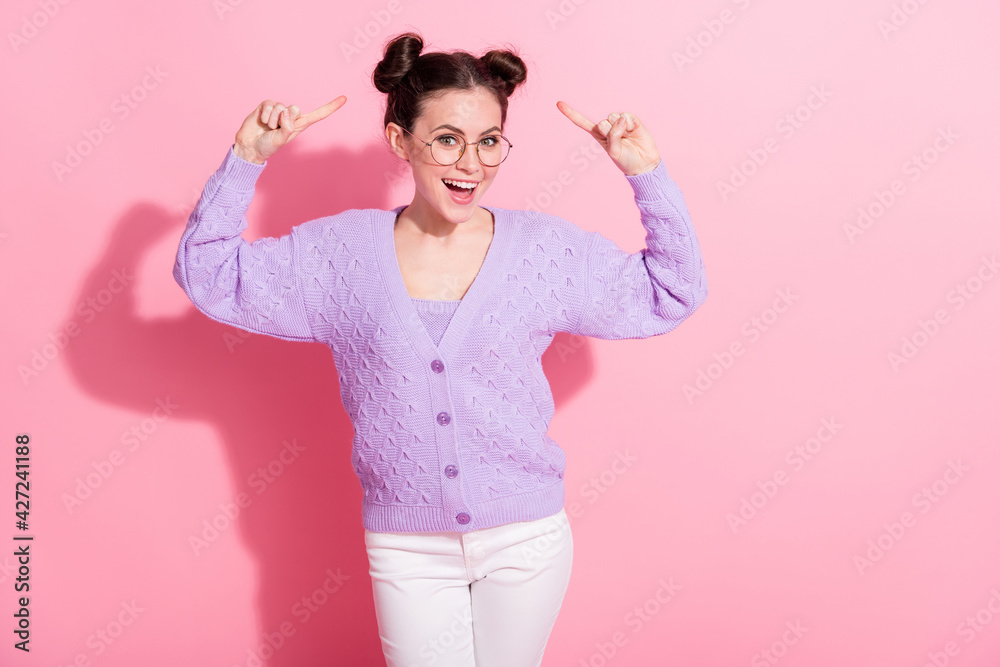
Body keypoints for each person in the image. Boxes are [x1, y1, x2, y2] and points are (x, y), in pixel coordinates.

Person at [173, 30, 708, 667]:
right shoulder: (341, 256)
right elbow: (208, 274)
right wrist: (246, 159)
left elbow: (673, 290)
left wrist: (645, 174)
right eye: (447, 139)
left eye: (489, 142)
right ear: (400, 140)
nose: (472, 164)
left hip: (525, 537)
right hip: (406, 544)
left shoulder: (543, 252)